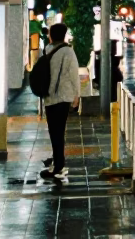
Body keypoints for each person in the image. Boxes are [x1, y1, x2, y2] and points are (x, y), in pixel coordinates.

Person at [40, 23, 80, 182]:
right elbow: (74, 74)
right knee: (59, 131)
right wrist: (77, 95)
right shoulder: (68, 52)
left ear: (51, 35)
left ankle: (58, 163)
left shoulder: (47, 50)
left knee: (53, 131)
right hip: (64, 97)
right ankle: (58, 164)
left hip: (50, 97)